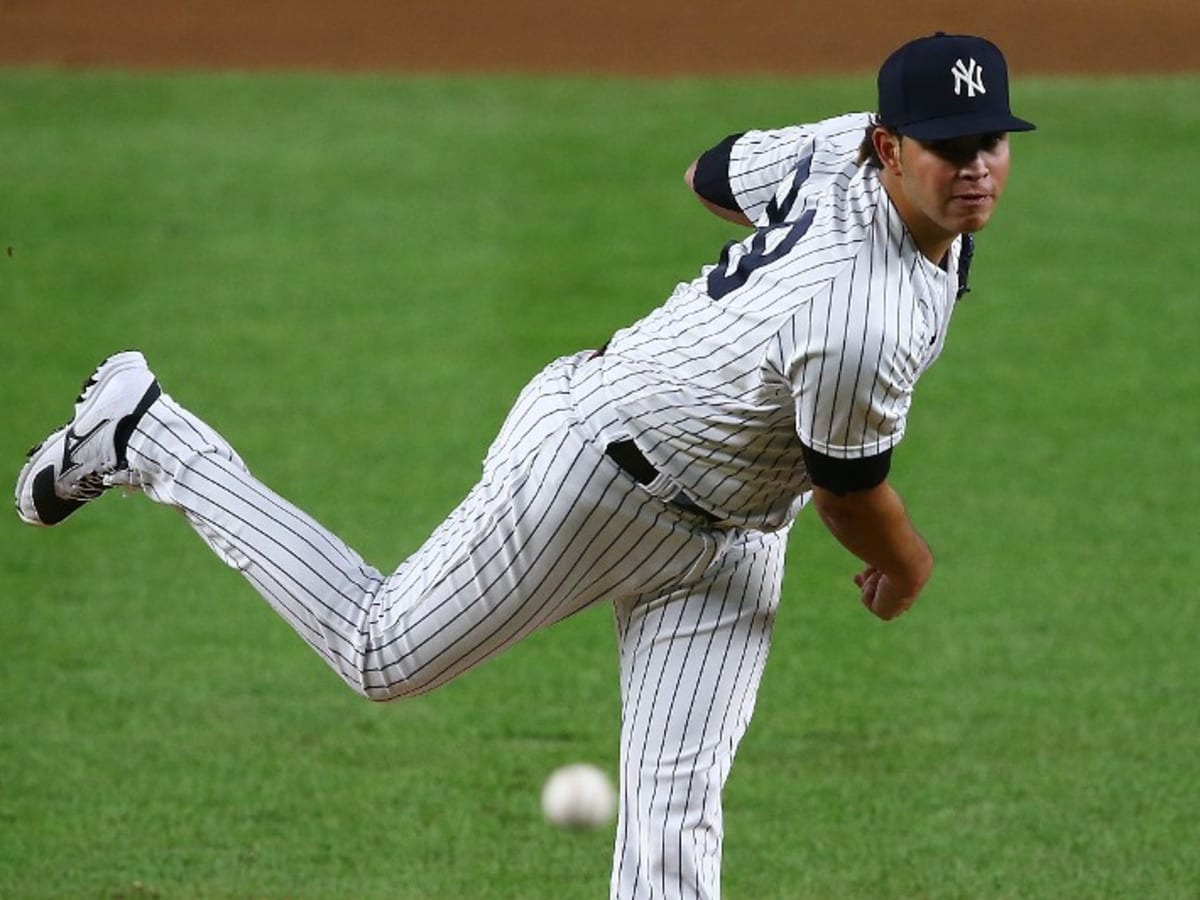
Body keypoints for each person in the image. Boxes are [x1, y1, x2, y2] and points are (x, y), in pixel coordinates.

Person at [16, 32, 1034, 900]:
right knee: (381, 654)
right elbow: (853, 500)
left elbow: (708, 174)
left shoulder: (838, 155)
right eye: (948, 150)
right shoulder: (861, 315)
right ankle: (147, 434)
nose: (977, 167)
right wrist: (909, 570)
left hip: (735, 536)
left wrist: (759, 302)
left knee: (674, 824)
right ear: (891, 146)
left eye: (989, 142)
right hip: (595, 473)